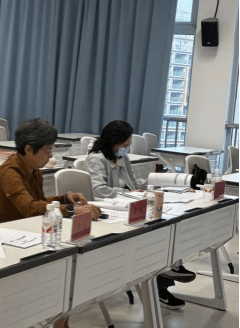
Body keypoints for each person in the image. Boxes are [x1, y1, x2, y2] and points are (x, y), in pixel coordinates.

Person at [0, 118, 99, 328]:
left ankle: (60, 318)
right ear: (28, 149)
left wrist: (64, 198)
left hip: (25, 229)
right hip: (0, 234)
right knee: (60, 267)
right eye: (47, 150)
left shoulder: (33, 170)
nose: (50, 156)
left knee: (67, 263)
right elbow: (29, 208)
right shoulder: (10, 173)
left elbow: (38, 203)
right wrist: (71, 210)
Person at [83, 120, 196, 310]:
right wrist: (128, 193)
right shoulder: (96, 158)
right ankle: (164, 276)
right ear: (113, 141)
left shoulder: (122, 157)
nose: (126, 147)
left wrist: (166, 185)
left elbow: (134, 183)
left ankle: (168, 271)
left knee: (162, 226)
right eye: (124, 144)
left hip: (130, 207)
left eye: (129, 144)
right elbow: (98, 190)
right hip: (109, 211)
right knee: (149, 238)